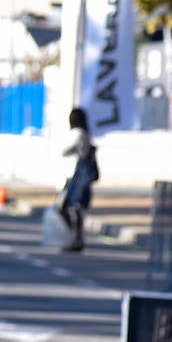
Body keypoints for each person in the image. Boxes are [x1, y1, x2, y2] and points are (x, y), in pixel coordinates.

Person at [59, 106, 99, 252]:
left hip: (79, 175)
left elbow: (64, 150)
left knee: (73, 207)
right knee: (70, 208)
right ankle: (75, 238)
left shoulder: (79, 133)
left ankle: (77, 238)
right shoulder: (85, 134)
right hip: (75, 175)